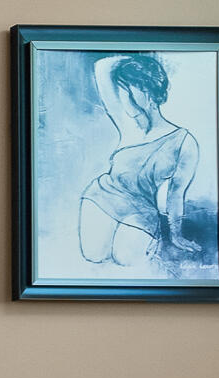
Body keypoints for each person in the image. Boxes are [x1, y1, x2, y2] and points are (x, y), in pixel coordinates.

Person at [76, 52, 201, 273]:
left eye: (130, 89)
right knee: (93, 256)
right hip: (102, 197)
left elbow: (176, 194)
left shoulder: (184, 142)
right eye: (122, 89)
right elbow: (102, 67)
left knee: (126, 260)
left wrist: (176, 234)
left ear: (148, 90)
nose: (123, 97)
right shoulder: (127, 123)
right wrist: (135, 63)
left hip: (142, 210)